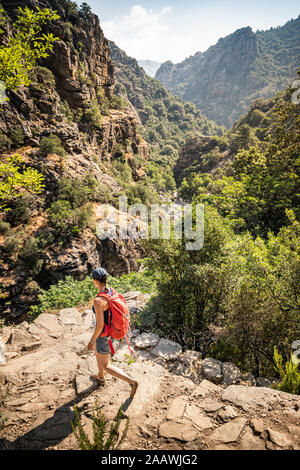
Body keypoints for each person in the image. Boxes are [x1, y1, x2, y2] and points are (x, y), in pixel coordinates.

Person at [87, 267, 138, 399]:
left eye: (93, 278)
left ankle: (131, 382)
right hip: (111, 331)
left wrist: (92, 340)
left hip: (102, 335)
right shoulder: (111, 291)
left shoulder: (99, 301)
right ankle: (100, 377)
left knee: (106, 365)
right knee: (99, 354)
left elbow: (99, 325)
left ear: (95, 281)